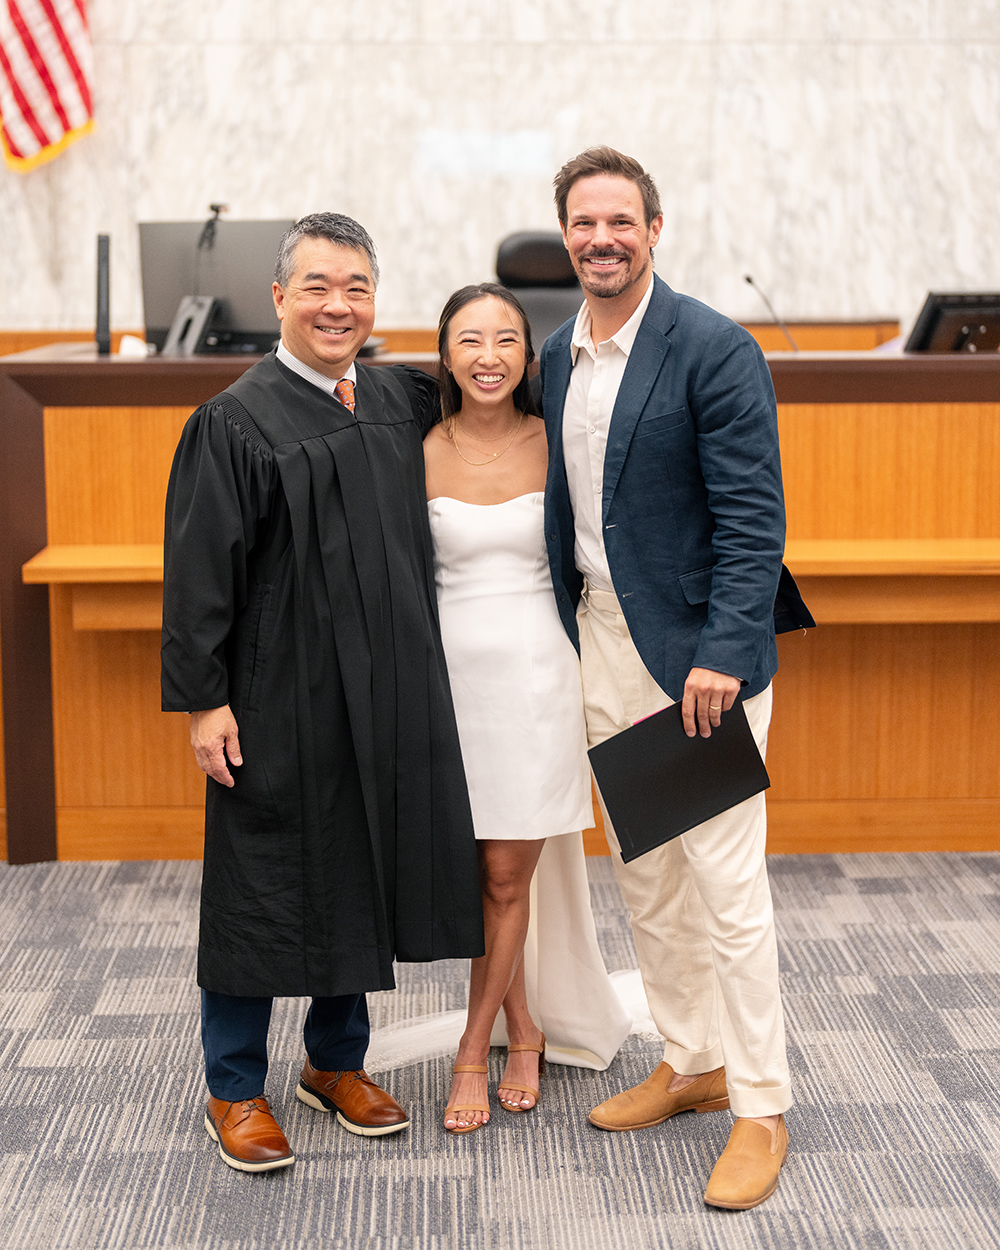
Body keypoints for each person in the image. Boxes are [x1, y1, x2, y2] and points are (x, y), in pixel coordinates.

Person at [161, 213, 483, 1173]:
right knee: (261, 880)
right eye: (317, 287)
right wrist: (204, 702)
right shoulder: (234, 420)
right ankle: (233, 1087)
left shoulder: (399, 398)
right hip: (279, 700)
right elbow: (197, 575)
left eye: (356, 288)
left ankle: (334, 1063)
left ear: (376, 300)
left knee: (361, 868)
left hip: (387, 692)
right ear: (279, 298)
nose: (337, 305)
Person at [539, 147, 807, 1210]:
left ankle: (760, 1102)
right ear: (564, 234)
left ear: (655, 228)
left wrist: (723, 655)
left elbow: (753, 518)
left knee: (725, 885)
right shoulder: (558, 353)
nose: (600, 237)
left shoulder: (712, 346)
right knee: (645, 872)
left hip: (694, 659)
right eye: (582, 222)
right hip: (598, 641)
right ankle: (690, 1059)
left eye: (619, 220)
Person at [423, 283, 631, 1134]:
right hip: (446, 690)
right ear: (444, 355)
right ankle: (525, 1023)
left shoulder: (559, 443)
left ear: (529, 354)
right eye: (468, 340)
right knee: (475, 876)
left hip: (540, 682)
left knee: (509, 875)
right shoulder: (415, 447)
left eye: (506, 339)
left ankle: (479, 1049)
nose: (487, 356)